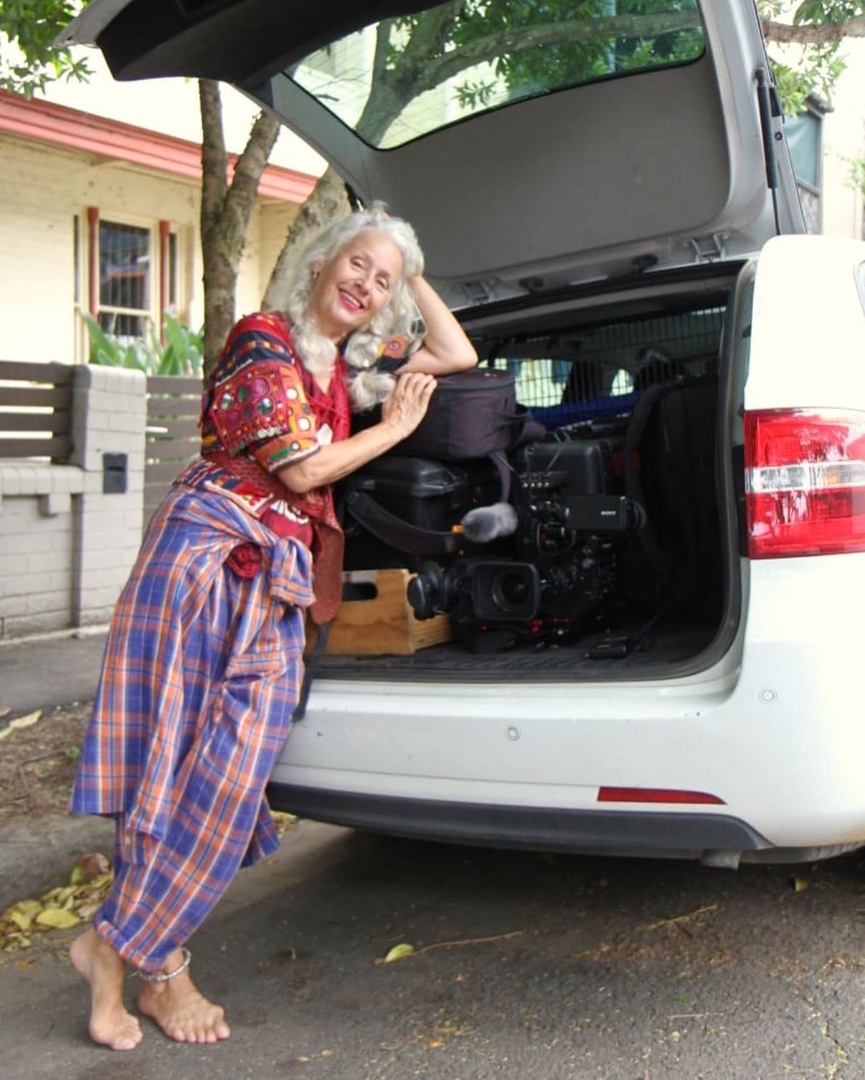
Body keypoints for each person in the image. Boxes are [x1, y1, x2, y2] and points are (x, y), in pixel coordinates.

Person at [68, 203, 478, 1051]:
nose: (364, 284)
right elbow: (302, 467)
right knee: (171, 760)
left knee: (233, 768)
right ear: (322, 261)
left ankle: (109, 946)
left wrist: (405, 259)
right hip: (205, 558)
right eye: (355, 264)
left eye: (381, 282)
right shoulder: (265, 340)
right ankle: (156, 971)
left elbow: (456, 353)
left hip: (277, 579)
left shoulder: (344, 364)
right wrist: (394, 428)